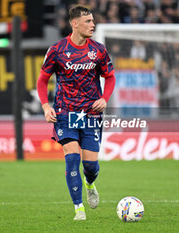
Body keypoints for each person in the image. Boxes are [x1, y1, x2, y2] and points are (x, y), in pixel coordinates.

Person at [37, 5, 116, 221]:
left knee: (90, 166)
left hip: (90, 113)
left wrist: (104, 99)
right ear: (75, 24)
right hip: (65, 112)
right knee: (72, 159)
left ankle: (90, 183)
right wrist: (45, 106)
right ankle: (78, 208)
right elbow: (42, 80)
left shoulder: (98, 50)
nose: (93, 24)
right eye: (88, 21)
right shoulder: (57, 50)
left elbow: (109, 77)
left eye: (92, 21)